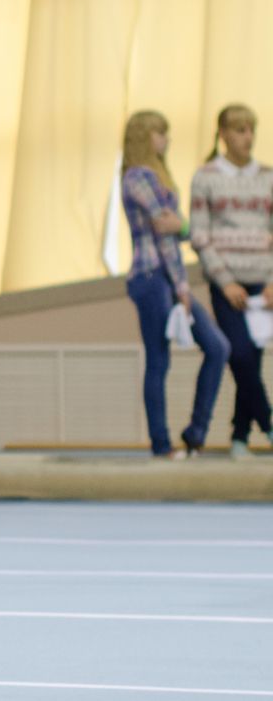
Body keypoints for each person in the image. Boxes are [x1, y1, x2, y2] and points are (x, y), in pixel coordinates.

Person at [119, 110, 230, 459]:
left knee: (217, 347)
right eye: (160, 133)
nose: (166, 140)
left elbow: (178, 228)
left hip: (168, 279)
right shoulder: (137, 177)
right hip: (151, 278)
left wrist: (182, 228)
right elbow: (166, 231)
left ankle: (196, 432)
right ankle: (161, 445)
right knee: (158, 361)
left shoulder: (158, 177)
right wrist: (182, 286)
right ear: (143, 136)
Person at [188, 103, 273, 460]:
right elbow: (199, 235)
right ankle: (268, 424)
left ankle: (240, 438)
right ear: (223, 134)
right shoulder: (205, 176)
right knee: (237, 353)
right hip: (228, 284)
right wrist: (225, 282)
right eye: (239, 130)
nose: (247, 137)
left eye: (251, 129)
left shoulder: (267, 177)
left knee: (250, 361)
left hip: (263, 285)